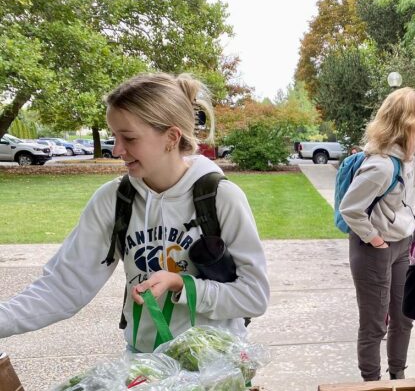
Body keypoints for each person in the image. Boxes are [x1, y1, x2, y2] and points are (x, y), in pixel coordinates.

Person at [0, 73, 270, 352]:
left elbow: (254, 296)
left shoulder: (220, 198)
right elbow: (63, 287)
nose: (117, 150)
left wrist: (183, 285)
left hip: (216, 368)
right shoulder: (115, 200)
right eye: (114, 137)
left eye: (128, 138)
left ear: (171, 137)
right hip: (145, 370)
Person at [339, 87, 415, 381]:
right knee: (375, 324)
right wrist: (375, 238)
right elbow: (350, 208)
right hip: (373, 249)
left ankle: (398, 380)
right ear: (408, 120)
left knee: (403, 319)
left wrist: (414, 216)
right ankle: (372, 385)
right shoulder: (380, 165)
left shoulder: (412, 156)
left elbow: (405, 191)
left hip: (402, 245)